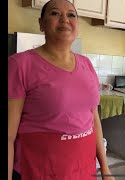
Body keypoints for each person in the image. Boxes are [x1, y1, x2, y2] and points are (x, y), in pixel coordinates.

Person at [8, 0, 114, 179]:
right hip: (39, 171)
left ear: (77, 26)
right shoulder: (20, 65)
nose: (65, 19)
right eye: (55, 13)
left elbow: (93, 119)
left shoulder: (86, 65)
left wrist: (105, 168)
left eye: (71, 15)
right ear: (41, 24)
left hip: (83, 168)